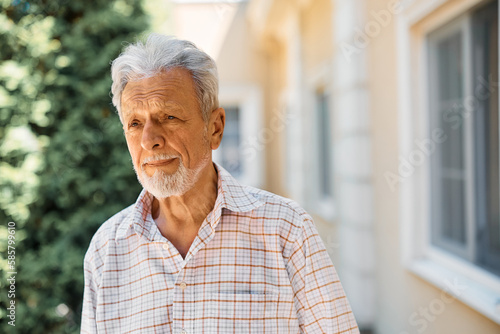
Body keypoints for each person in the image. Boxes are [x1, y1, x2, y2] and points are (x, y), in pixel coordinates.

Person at [81, 33, 359, 334]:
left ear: (215, 128)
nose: (149, 140)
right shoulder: (106, 249)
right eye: (135, 123)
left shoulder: (287, 230)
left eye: (169, 116)